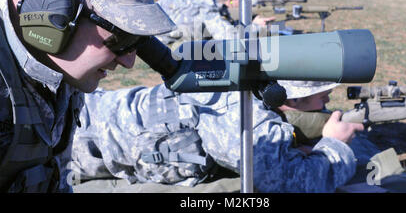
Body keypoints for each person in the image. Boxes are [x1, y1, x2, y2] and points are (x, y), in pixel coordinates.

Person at [0, 0, 176, 192]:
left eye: (138, 42)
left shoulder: (58, 59)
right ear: (52, 13)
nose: (130, 61)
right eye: (122, 39)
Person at [70, 80, 364, 193]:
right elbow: (291, 184)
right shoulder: (240, 111)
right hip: (70, 138)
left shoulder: (251, 94)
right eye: (322, 99)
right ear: (293, 99)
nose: (327, 105)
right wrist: (334, 145)